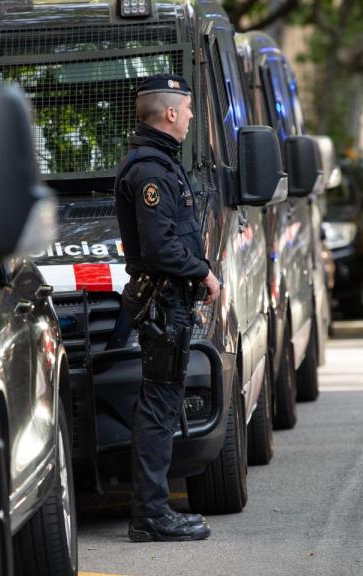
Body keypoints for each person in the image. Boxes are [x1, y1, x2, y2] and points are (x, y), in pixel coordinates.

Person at [114, 74, 221, 542]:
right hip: (164, 301)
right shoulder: (151, 171)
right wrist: (203, 273)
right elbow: (160, 248)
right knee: (158, 407)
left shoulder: (159, 162)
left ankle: (153, 511)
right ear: (171, 113)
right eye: (189, 108)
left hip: (169, 301)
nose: (192, 116)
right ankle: (151, 515)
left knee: (161, 402)